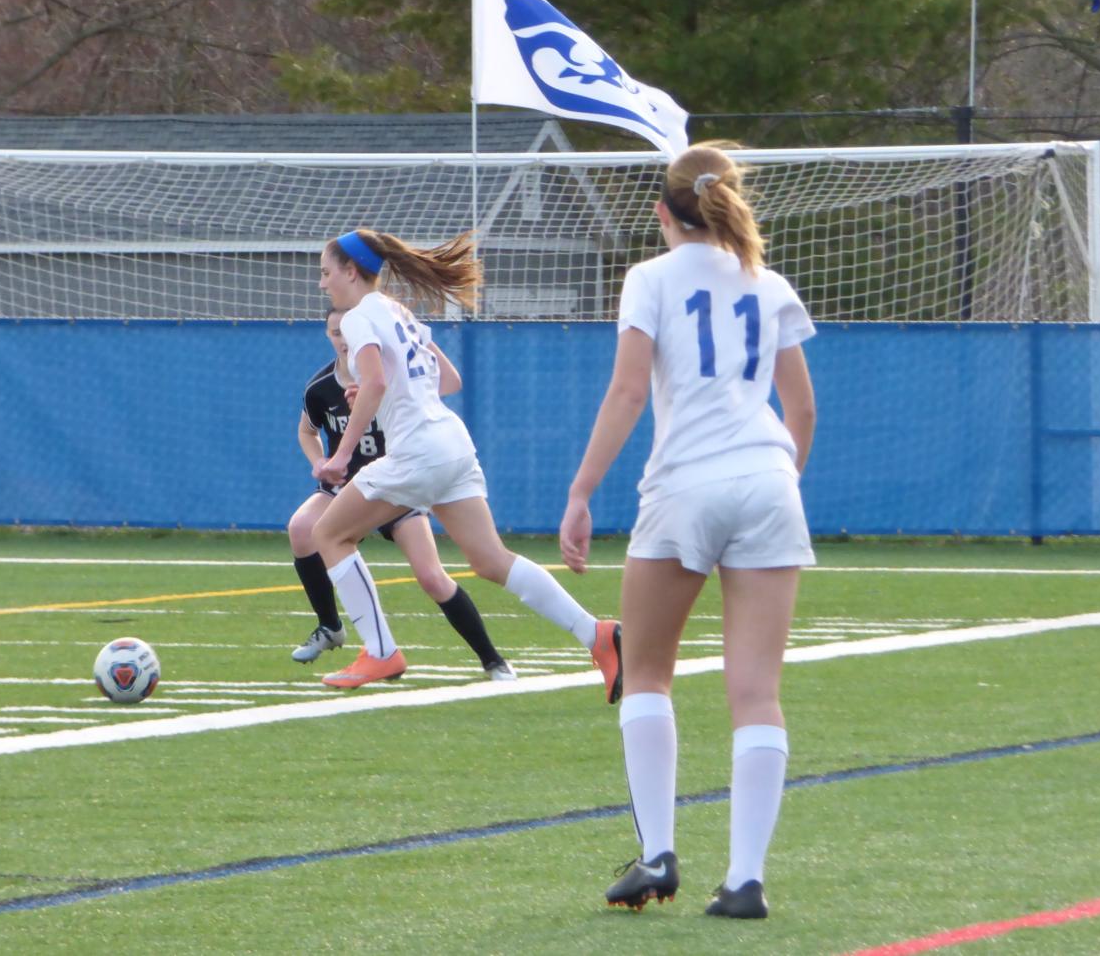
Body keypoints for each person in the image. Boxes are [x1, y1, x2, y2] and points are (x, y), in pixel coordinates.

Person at [558, 142, 818, 921]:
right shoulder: (767, 282)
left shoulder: (649, 277)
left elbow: (628, 391)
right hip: (769, 481)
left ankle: (658, 855)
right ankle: (744, 880)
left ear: (662, 213)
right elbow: (800, 410)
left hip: (683, 487)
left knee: (645, 675)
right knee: (756, 696)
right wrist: (773, 486)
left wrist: (580, 492)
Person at [307, 228, 622, 697]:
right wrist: (385, 390)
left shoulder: (357, 318)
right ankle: (596, 634)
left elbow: (373, 383)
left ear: (351, 272)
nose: (322, 283)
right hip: (453, 444)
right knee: (492, 560)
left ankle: (379, 651)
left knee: (328, 534)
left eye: (326, 272)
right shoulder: (400, 312)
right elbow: (446, 380)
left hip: (418, 451)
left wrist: (343, 454)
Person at [289, 308, 517, 683]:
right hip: (349, 488)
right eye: (335, 332)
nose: (343, 339)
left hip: (397, 484)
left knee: (431, 576)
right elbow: (306, 432)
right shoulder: (320, 388)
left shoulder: (386, 379)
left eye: (347, 331)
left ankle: (493, 659)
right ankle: (330, 627)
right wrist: (321, 462)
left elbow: (445, 384)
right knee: (302, 528)